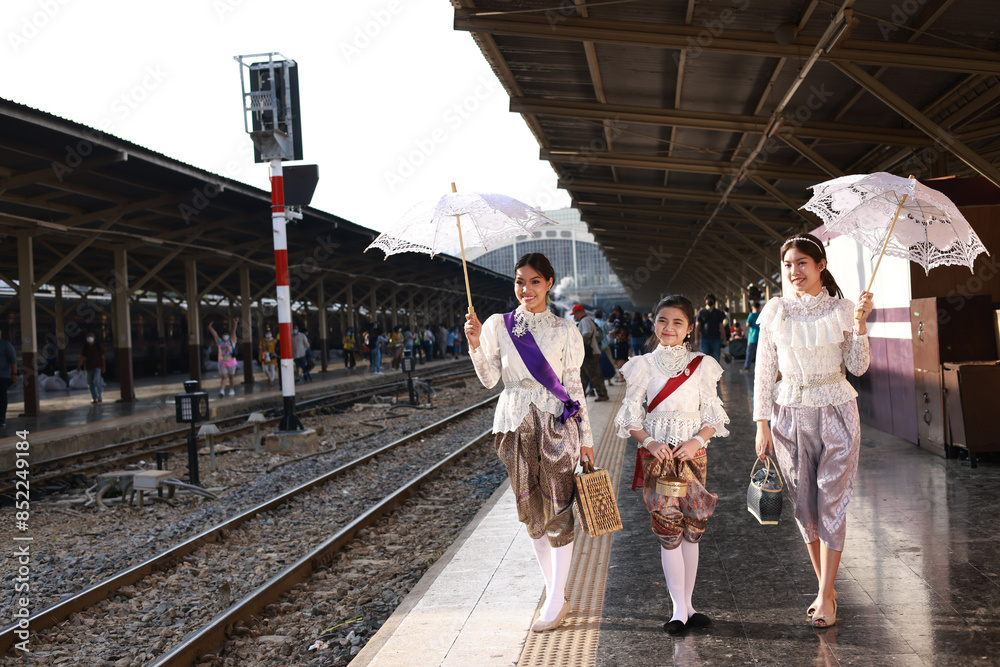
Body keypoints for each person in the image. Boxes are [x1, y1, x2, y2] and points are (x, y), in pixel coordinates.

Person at [464, 252, 596, 633]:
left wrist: (586, 438)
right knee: (531, 510)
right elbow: (489, 379)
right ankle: (553, 589)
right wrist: (475, 344)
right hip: (513, 423)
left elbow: (573, 386)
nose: (526, 289)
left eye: (535, 281)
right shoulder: (497, 326)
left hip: (556, 423)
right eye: (520, 281)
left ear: (549, 283)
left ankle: (556, 598)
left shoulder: (564, 330)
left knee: (558, 508)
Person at [754, 233, 872, 629]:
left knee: (832, 502)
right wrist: (761, 423)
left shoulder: (843, 309)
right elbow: (764, 372)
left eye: (802, 263)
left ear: (820, 265)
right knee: (805, 506)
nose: (794, 271)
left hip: (838, 409)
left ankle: (824, 595)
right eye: (788, 265)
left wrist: (860, 324)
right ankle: (826, 586)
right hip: (789, 414)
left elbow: (857, 366)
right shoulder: (776, 310)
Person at [615, 294, 729, 635]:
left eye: (677, 322)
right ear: (653, 323)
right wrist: (649, 441)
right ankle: (678, 608)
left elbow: (713, 415)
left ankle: (690, 605)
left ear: (690, 328)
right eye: (662, 320)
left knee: (693, 531)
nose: (669, 327)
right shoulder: (641, 365)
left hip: (693, 458)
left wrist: (697, 440)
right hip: (658, 461)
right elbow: (631, 416)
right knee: (668, 530)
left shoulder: (703, 364)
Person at [571, 304, 608, 402]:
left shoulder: (585, 320)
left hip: (590, 353)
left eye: (575, 315)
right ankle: (579, 396)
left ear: (579, 313)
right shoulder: (585, 320)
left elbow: (587, 333)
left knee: (594, 375)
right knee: (583, 376)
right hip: (587, 353)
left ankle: (603, 394)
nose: (575, 317)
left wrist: (578, 342)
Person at [208, 318, 238, 397]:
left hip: (231, 362)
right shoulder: (220, 342)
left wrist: (235, 324)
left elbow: (234, 333)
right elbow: (215, 334)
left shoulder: (232, 341)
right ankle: (222, 390)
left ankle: (232, 389)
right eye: (224, 334)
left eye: (227, 334)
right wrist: (210, 327)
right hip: (222, 362)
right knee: (224, 377)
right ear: (222, 335)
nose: (226, 336)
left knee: (231, 377)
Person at [76, 331, 106, 404]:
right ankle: (94, 398)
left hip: (97, 366)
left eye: (91, 336)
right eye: (88, 337)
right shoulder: (85, 347)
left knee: (97, 381)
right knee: (90, 383)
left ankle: (99, 397)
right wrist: (79, 366)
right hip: (88, 367)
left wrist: (103, 366)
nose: (89, 338)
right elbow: (82, 357)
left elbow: (102, 357)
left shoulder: (98, 346)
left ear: (94, 337)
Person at [694, 294, 726, 362]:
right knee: (704, 359)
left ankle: (715, 372)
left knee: (716, 359)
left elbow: (721, 327)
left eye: (710, 299)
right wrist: (696, 339)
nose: (709, 301)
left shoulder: (718, 313)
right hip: (704, 339)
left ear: (714, 301)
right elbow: (697, 327)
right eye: (707, 299)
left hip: (716, 339)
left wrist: (724, 339)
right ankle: (707, 372)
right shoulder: (701, 313)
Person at [0, 326, 18, 427]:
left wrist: (14, 374)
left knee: (2, 396)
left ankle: (1, 418)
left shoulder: (6, 344)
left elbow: (13, 359)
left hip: (3, 376)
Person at [610, 306, 629, 381]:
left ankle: (621, 377)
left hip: (619, 342)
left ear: (617, 311)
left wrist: (611, 333)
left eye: (614, 311)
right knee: (625, 359)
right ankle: (625, 376)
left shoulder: (617, 319)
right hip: (626, 341)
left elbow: (616, 329)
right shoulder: (626, 319)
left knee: (619, 359)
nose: (613, 313)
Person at [741, 302, 761, 373]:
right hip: (760, 337)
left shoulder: (751, 315)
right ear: (759, 308)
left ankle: (747, 367)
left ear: (753, 307)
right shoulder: (760, 315)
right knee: (760, 354)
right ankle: (760, 368)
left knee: (749, 353)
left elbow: (747, 324)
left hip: (752, 337)